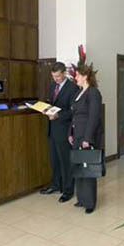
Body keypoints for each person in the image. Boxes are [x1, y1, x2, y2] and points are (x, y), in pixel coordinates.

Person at [40, 62, 78, 202]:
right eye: (53, 76)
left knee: (66, 162)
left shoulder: (73, 88)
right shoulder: (52, 86)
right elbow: (52, 104)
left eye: (58, 76)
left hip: (64, 131)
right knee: (54, 160)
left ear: (64, 73)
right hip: (52, 130)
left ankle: (68, 190)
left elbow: (73, 111)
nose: (55, 79)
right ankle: (56, 185)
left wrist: (58, 115)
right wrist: (45, 109)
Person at [69, 63, 103, 214]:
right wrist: (70, 133)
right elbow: (74, 115)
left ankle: (89, 202)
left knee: (88, 169)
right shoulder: (78, 93)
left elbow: (94, 118)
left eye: (77, 75)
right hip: (76, 135)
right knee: (78, 167)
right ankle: (81, 199)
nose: (75, 77)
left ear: (85, 76)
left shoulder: (93, 93)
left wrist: (87, 138)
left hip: (86, 136)